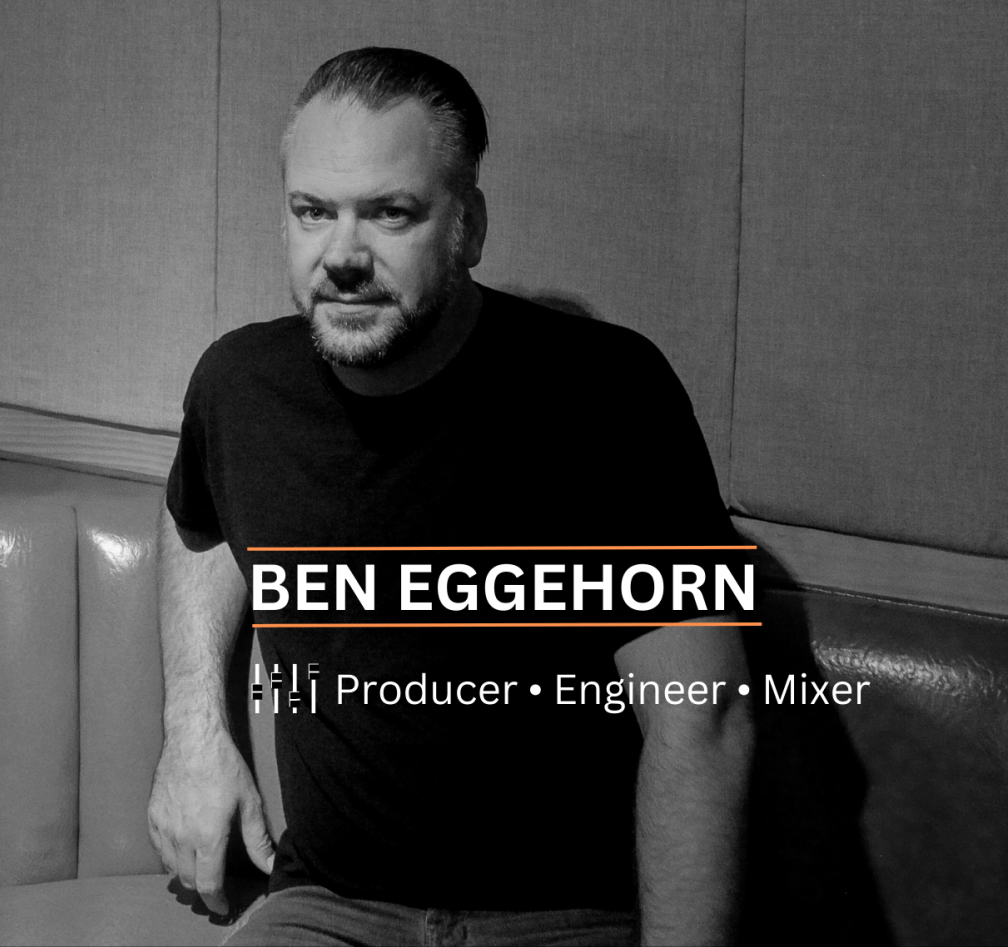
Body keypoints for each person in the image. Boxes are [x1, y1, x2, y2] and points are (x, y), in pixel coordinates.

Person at [148, 47, 753, 946]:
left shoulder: (610, 394)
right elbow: (199, 523)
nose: (341, 256)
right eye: (313, 211)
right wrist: (195, 730)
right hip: (328, 903)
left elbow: (703, 714)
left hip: (561, 916)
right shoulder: (239, 386)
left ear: (467, 228)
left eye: (389, 213)